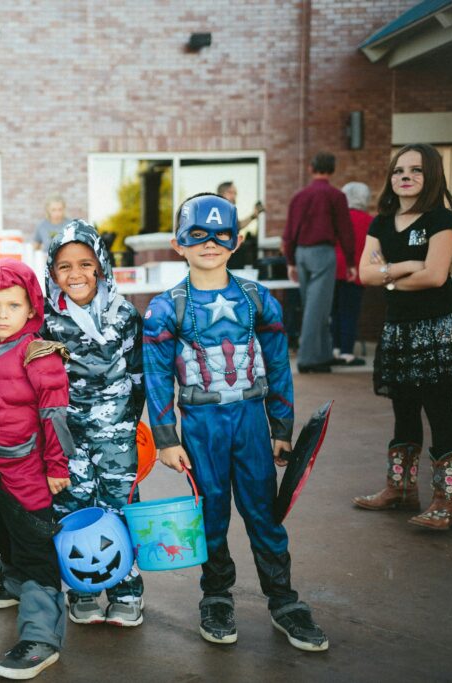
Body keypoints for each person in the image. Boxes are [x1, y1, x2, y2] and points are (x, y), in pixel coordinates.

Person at [144, 193, 329, 652]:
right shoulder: (166, 308)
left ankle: (283, 599)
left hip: (249, 420)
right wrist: (166, 438)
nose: (210, 243)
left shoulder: (256, 299)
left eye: (220, 234)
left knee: (264, 513)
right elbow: (156, 374)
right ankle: (216, 595)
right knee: (210, 515)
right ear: (177, 243)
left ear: (238, 240)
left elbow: (278, 366)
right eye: (197, 235)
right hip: (202, 424)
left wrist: (281, 428)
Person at [353, 143, 452, 530]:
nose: (405, 176)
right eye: (399, 170)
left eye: (416, 170)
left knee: (438, 408)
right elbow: (365, 274)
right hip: (399, 328)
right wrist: (405, 267)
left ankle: (446, 501)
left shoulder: (440, 220)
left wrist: (387, 276)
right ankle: (401, 489)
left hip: (437, 327)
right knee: (402, 408)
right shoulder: (381, 223)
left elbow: (435, 276)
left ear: (432, 175)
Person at [0, 258, 73, 680]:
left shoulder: (38, 353)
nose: (3, 315)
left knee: (34, 549)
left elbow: (55, 414)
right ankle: (12, 584)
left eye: (13, 305)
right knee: (2, 533)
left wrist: (56, 466)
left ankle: (41, 637)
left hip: (31, 471)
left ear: (31, 309)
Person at [41, 220, 146, 626]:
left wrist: (124, 425)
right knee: (73, 505)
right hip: (67, 438)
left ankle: (127, 591)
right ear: (52, 271)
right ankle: (82, 589)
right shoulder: (47, 318)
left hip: (116, 434)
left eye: (85, 264)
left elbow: (137, 377)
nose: (76, 275)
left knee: (120, 506)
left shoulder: (123, 314)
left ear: (101, 264)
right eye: (64, 267)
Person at [282, 152, 356, 373]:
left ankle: (322, 355)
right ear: (332, 170)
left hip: (301, 253)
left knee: (315, 305)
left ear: (310, 168)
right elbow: (345, 231)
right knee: (317, 307)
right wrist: (351, 261)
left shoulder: (299, 196)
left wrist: (291, 261)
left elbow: (289, 232)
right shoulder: (336, 196)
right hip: (323, 252)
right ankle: (307, 359)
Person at [330, 182, 372, 367]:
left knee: (334, 312)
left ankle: (335, 349)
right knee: (349, 313)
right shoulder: (370, 221)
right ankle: (347, 353)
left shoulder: (336, 218)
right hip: (354, 271)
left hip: (332, 271)